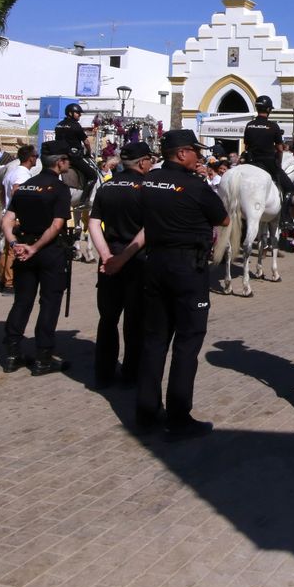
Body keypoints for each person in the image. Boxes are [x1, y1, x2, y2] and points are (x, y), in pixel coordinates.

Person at [105, 129, 229, 439]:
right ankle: (178, 416)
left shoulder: (147, 181)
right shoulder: (196, 185)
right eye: (195, 151)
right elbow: (224, 219)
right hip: (187, 267)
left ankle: (146, 412)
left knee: (154, 340)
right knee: (187, 342)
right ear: (182, 153)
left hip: (155, 264)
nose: (199, 157)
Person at [0, 140, 75, 375]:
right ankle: (43, 356)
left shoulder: (25, 187)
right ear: (60, 162)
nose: (69, 164)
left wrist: (15, 244)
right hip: (49, 251)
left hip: (24, 248)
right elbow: (57, 224)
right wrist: (35, 247)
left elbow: (7, 220)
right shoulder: (60, 189)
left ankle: (12, 354)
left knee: (22, 301)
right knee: (49, 303)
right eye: (67, 160)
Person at [87, 140, 154, 389]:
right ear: (142, 162)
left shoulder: (107, 186)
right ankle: (130, 372)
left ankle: (104, 372)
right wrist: (123, 258)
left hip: (109, 260)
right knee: (135, 320)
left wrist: (106, 256)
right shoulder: (147, 188)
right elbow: (148, 228)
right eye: (149, 160)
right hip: (136, 259)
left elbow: (94, 223)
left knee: (107, 319)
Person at [0, 145, 39, 292]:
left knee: (7, 249)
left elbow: (1, 192)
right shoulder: (23, 174)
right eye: (36, 156)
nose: (37, 159)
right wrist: (21, 213)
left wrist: (5, 207)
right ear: (30, 158)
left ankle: (3, 279)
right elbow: (16, 192)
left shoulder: (11, 172)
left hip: (7, 213)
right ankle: (10, 282)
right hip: (16, 216)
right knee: (14, 250)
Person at [240, 95, 294, 204]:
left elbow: (246, 146)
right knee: (290, 188)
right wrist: (278, 163)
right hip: (268, 162)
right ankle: (284, 214)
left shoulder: (249, 125)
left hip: (250, 161)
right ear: (268, 109)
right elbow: (280, 149)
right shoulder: (273, 126)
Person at [53, 101, 98, 186]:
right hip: (73, 157)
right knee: (92, 175)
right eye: (78, 113)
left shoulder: (58, 125)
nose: (80, 115)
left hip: (59, 156)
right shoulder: (76, 125)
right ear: (70, 113)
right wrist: (89, 152)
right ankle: (85, 194)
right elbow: (86, 142)